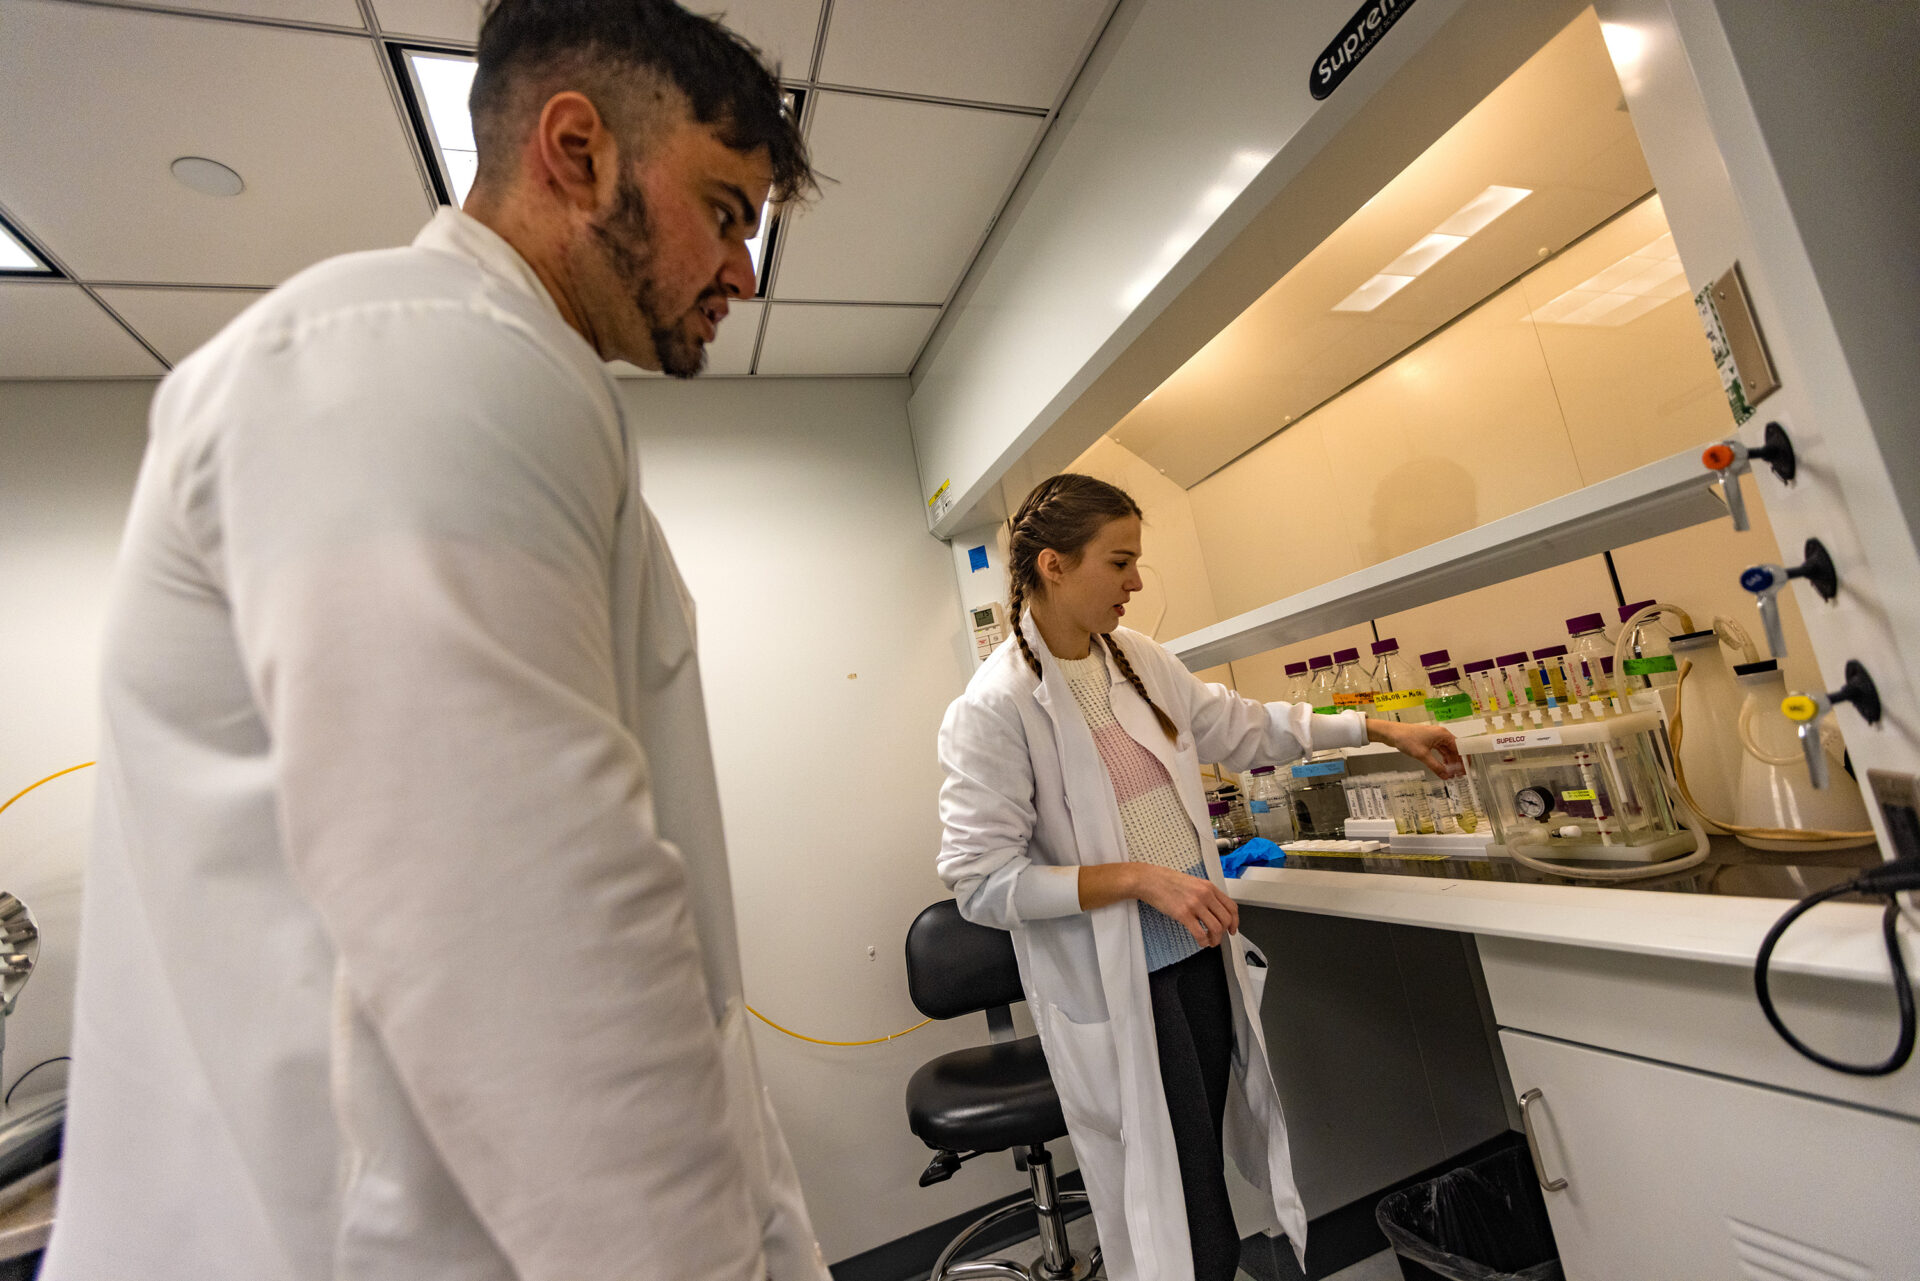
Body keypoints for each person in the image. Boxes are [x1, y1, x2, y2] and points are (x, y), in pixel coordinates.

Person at [43, 3, 825, 1279]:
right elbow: (546, 958)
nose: (744, 270)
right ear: (577, 151)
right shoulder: (423, 354)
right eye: (728, 210)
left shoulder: (497, 375)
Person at [936, 474, 1463, 1281]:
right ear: (1053, 564)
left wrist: (1380, 726)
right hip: (1120, 983)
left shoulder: (1137, 660)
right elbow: (981, 881)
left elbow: (1246, 726)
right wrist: (1140, 879)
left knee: (1202, 1170)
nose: (1136, 582)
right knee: (1179, 1191)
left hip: (1193, 955)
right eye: (1120, 562)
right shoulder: (994, 708)